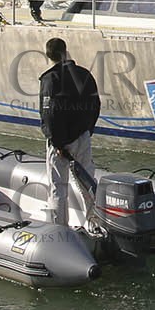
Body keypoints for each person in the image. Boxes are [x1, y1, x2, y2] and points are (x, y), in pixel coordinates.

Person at [39, 37, 100, 228]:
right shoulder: (84, 75)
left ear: (48, 55)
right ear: (65, 52)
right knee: (87, 184)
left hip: (61, 143)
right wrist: (88, 130)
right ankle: (95, 223)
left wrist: (57, 143)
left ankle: (60, 228)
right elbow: (95, 105)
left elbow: (50, 113)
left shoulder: (50, 79)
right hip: (82, 137)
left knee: (58, 187)